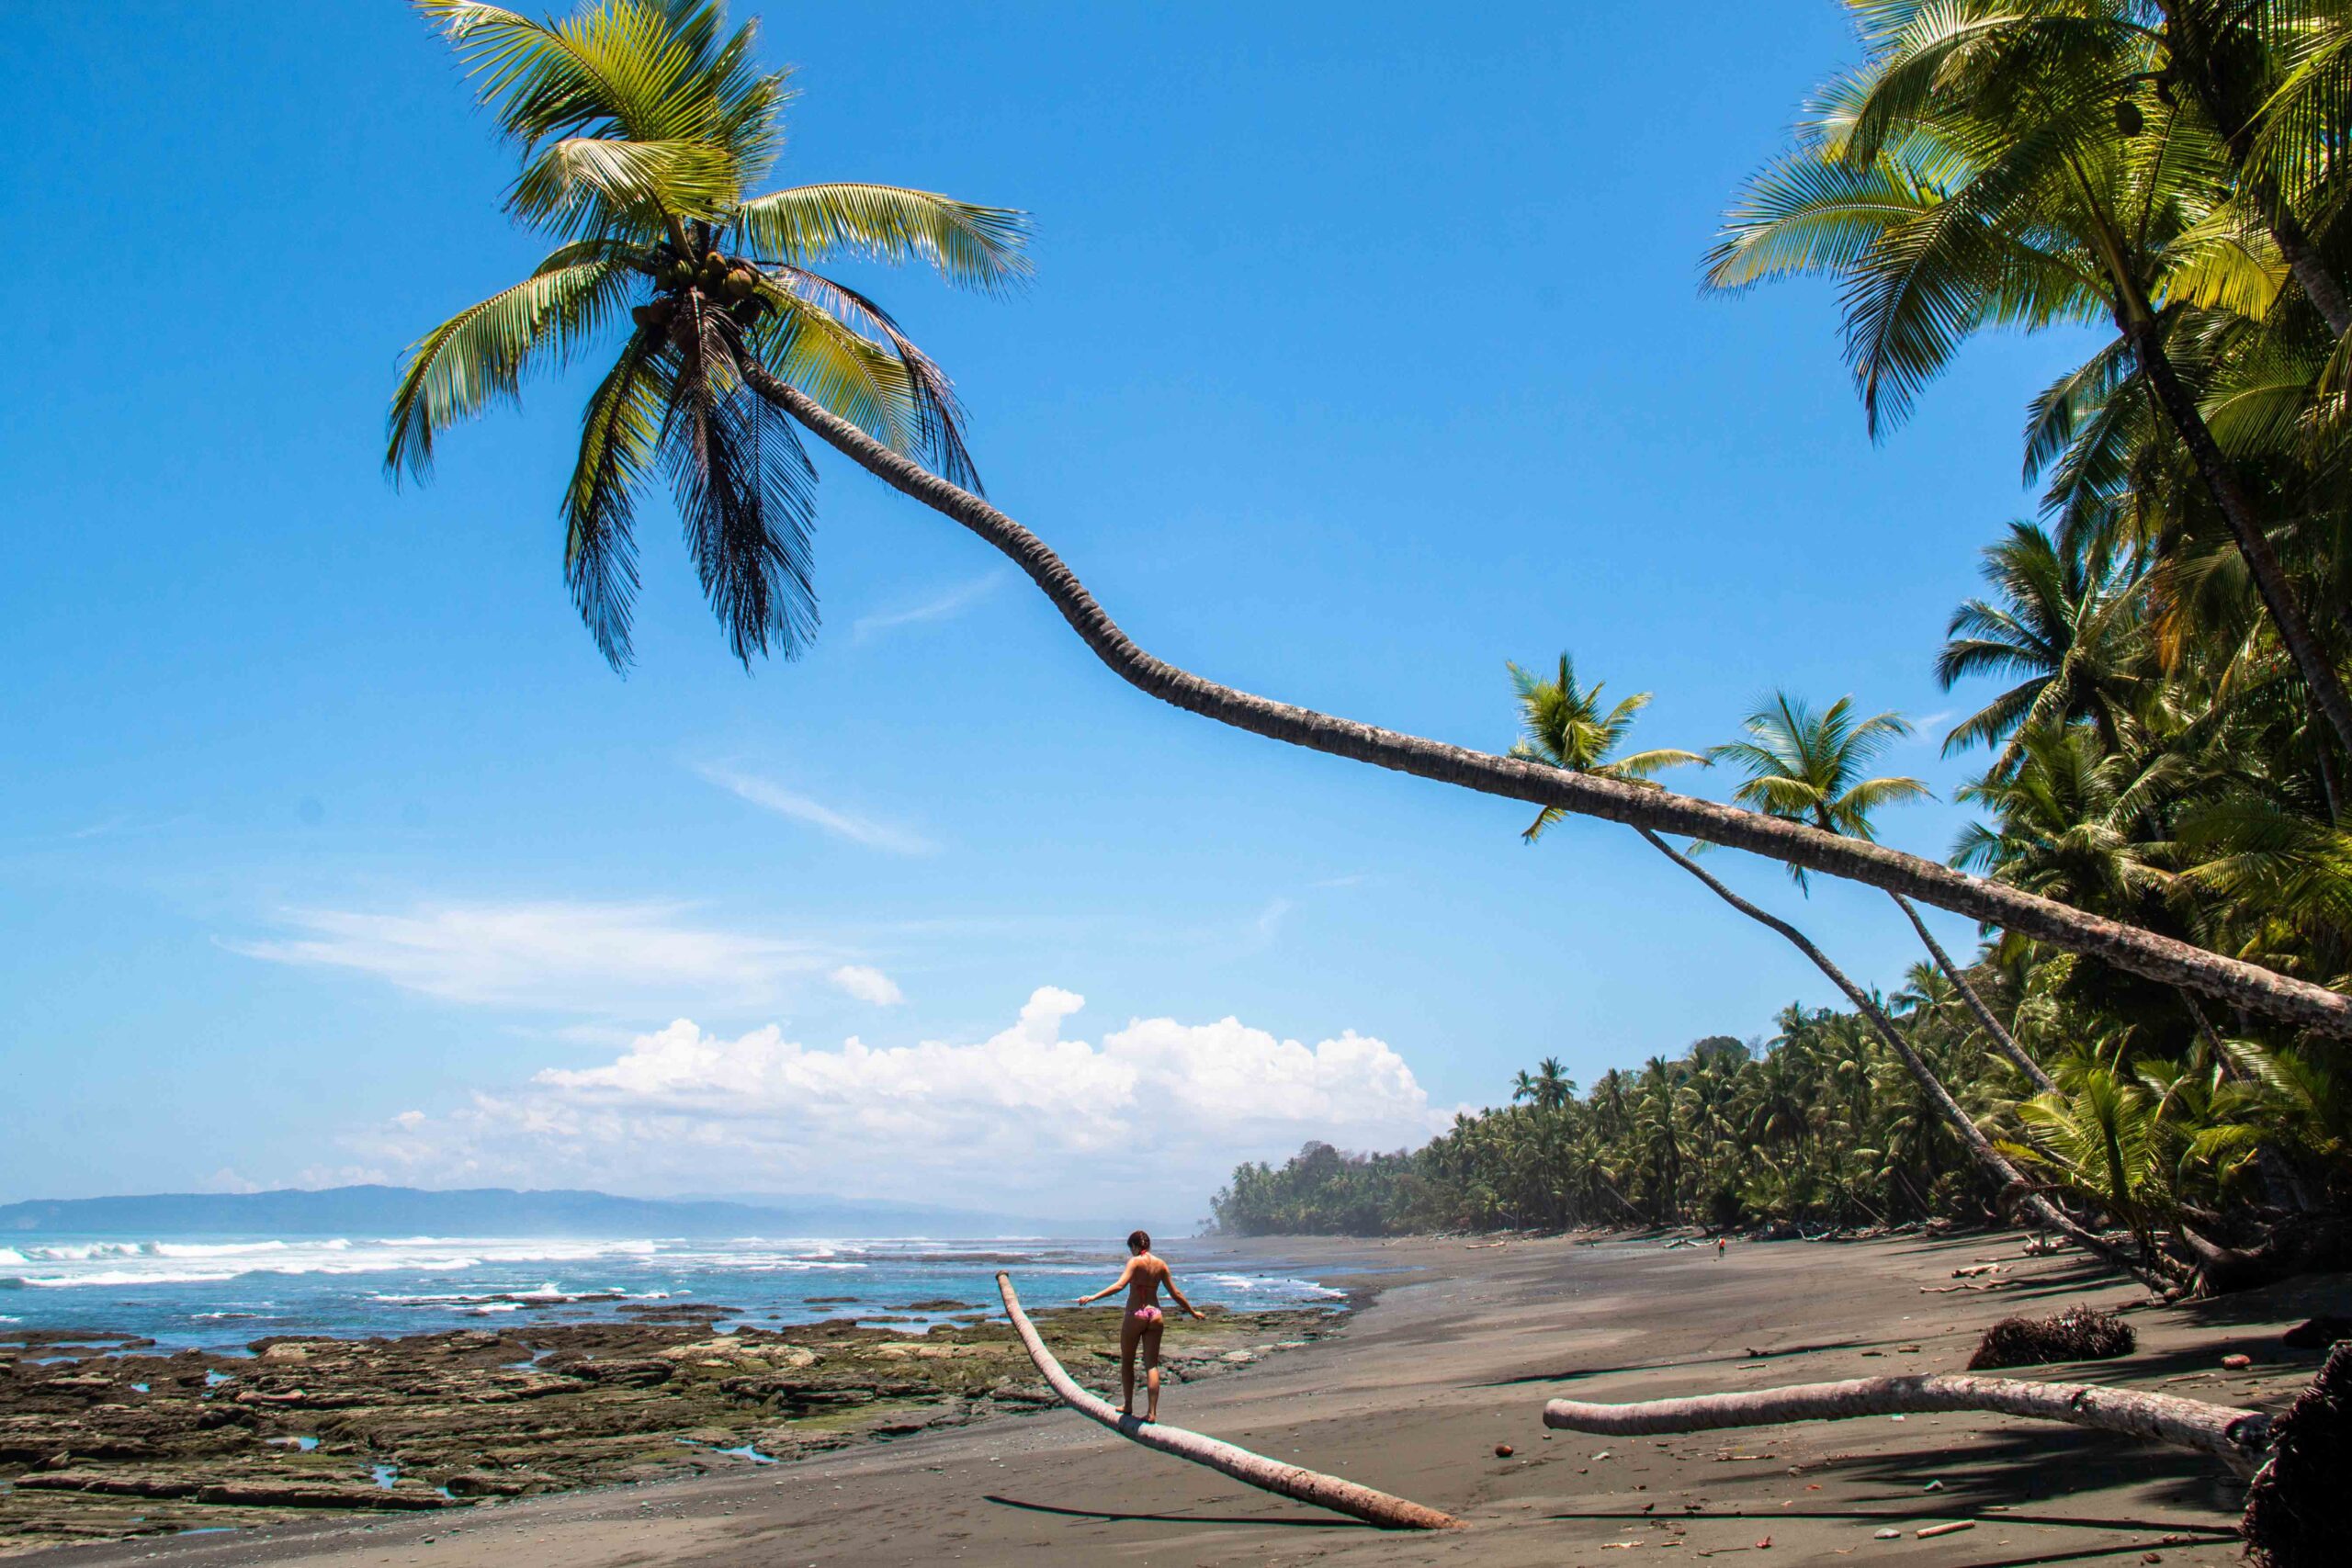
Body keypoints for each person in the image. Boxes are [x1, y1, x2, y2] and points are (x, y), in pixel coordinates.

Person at [1076, 1229, 1204, 1422]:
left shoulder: (1135, 1262)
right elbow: (1176, 1293)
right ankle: (1152, 1412)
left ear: (1135, 1247)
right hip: (1155, 1315)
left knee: (1127, 1361)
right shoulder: (1161, 1264)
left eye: (1131, 1249)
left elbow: (1120, 1285)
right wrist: (1192, 1312)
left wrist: (1093, 1297)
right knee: (1151, 1364)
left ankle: (1128, 1404)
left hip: (1135, 1314)